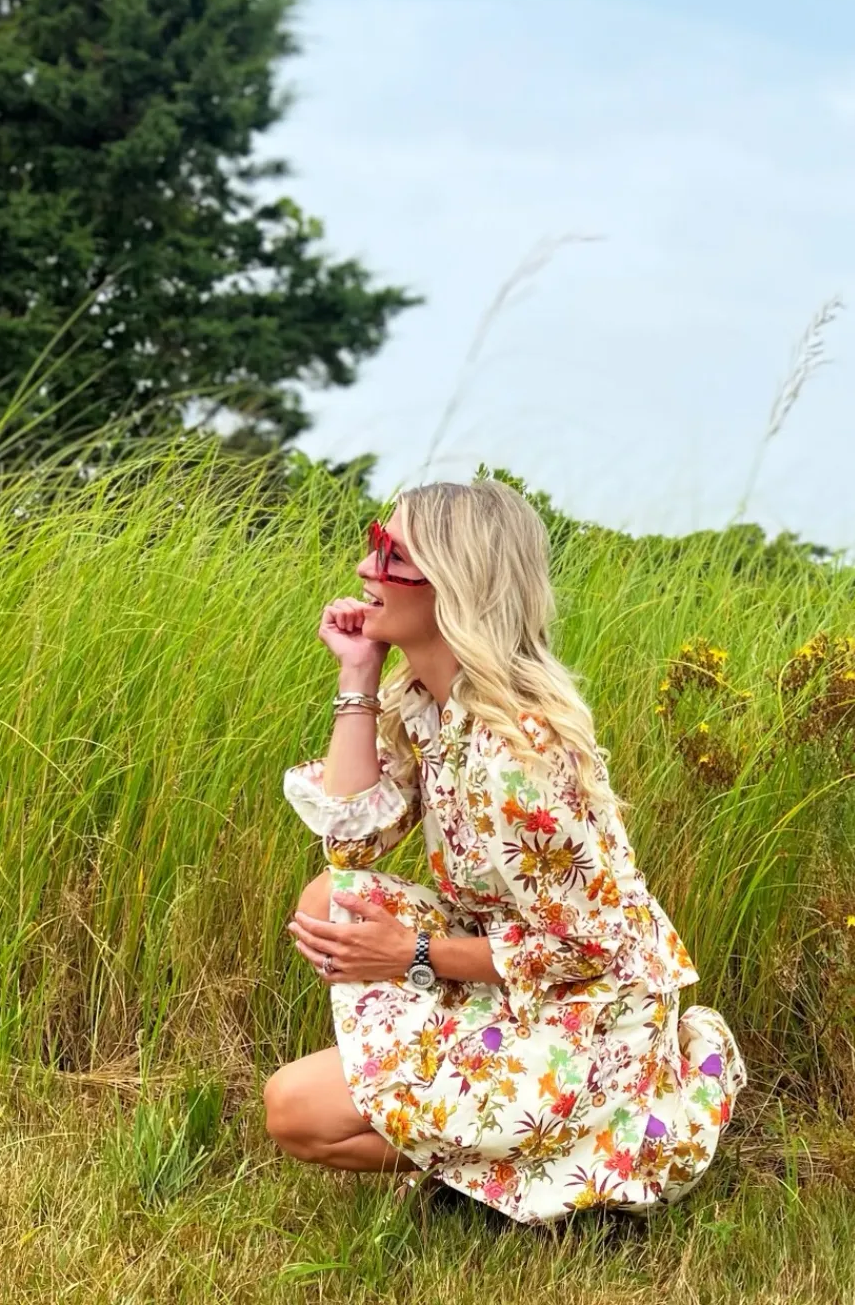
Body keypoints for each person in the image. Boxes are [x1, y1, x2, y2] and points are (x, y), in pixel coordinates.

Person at [263, 480, 747, 1224]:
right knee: (334, 898)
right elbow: (352, 840)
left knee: (296, 1111)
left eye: (390, 554)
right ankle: (488, 1159)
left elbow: (590, 945)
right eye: (373, 542)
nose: (365, 567)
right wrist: (357, 674)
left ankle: (583, 1151)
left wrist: (411, 953)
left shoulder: (517, 753)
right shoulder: (427, 702)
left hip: (591, 1014)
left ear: (456, 580)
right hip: (513, 975)